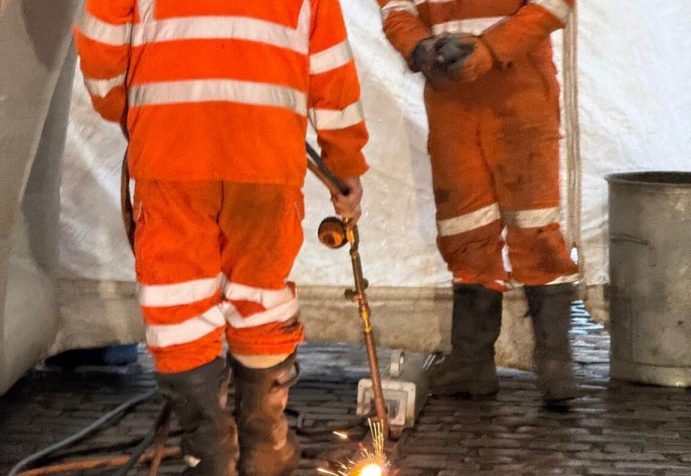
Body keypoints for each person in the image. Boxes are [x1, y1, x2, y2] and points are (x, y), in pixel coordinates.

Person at [74, 0, 368, 474]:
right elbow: (331, 69)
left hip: (172, 153)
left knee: (179, 306)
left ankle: (209, 454)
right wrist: (344, 164)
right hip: (267, 158)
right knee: (261, 296)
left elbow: (100, 41)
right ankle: (266, 447)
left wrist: (129, 109)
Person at [376, 0, 579, 404]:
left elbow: (555, 4)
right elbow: (396, 7)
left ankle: (554, 364)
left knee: (535, 228)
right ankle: (474, 363)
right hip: (453, 99)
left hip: (519, 91)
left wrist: (491, 49)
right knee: (464, 228)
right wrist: (419, 48)